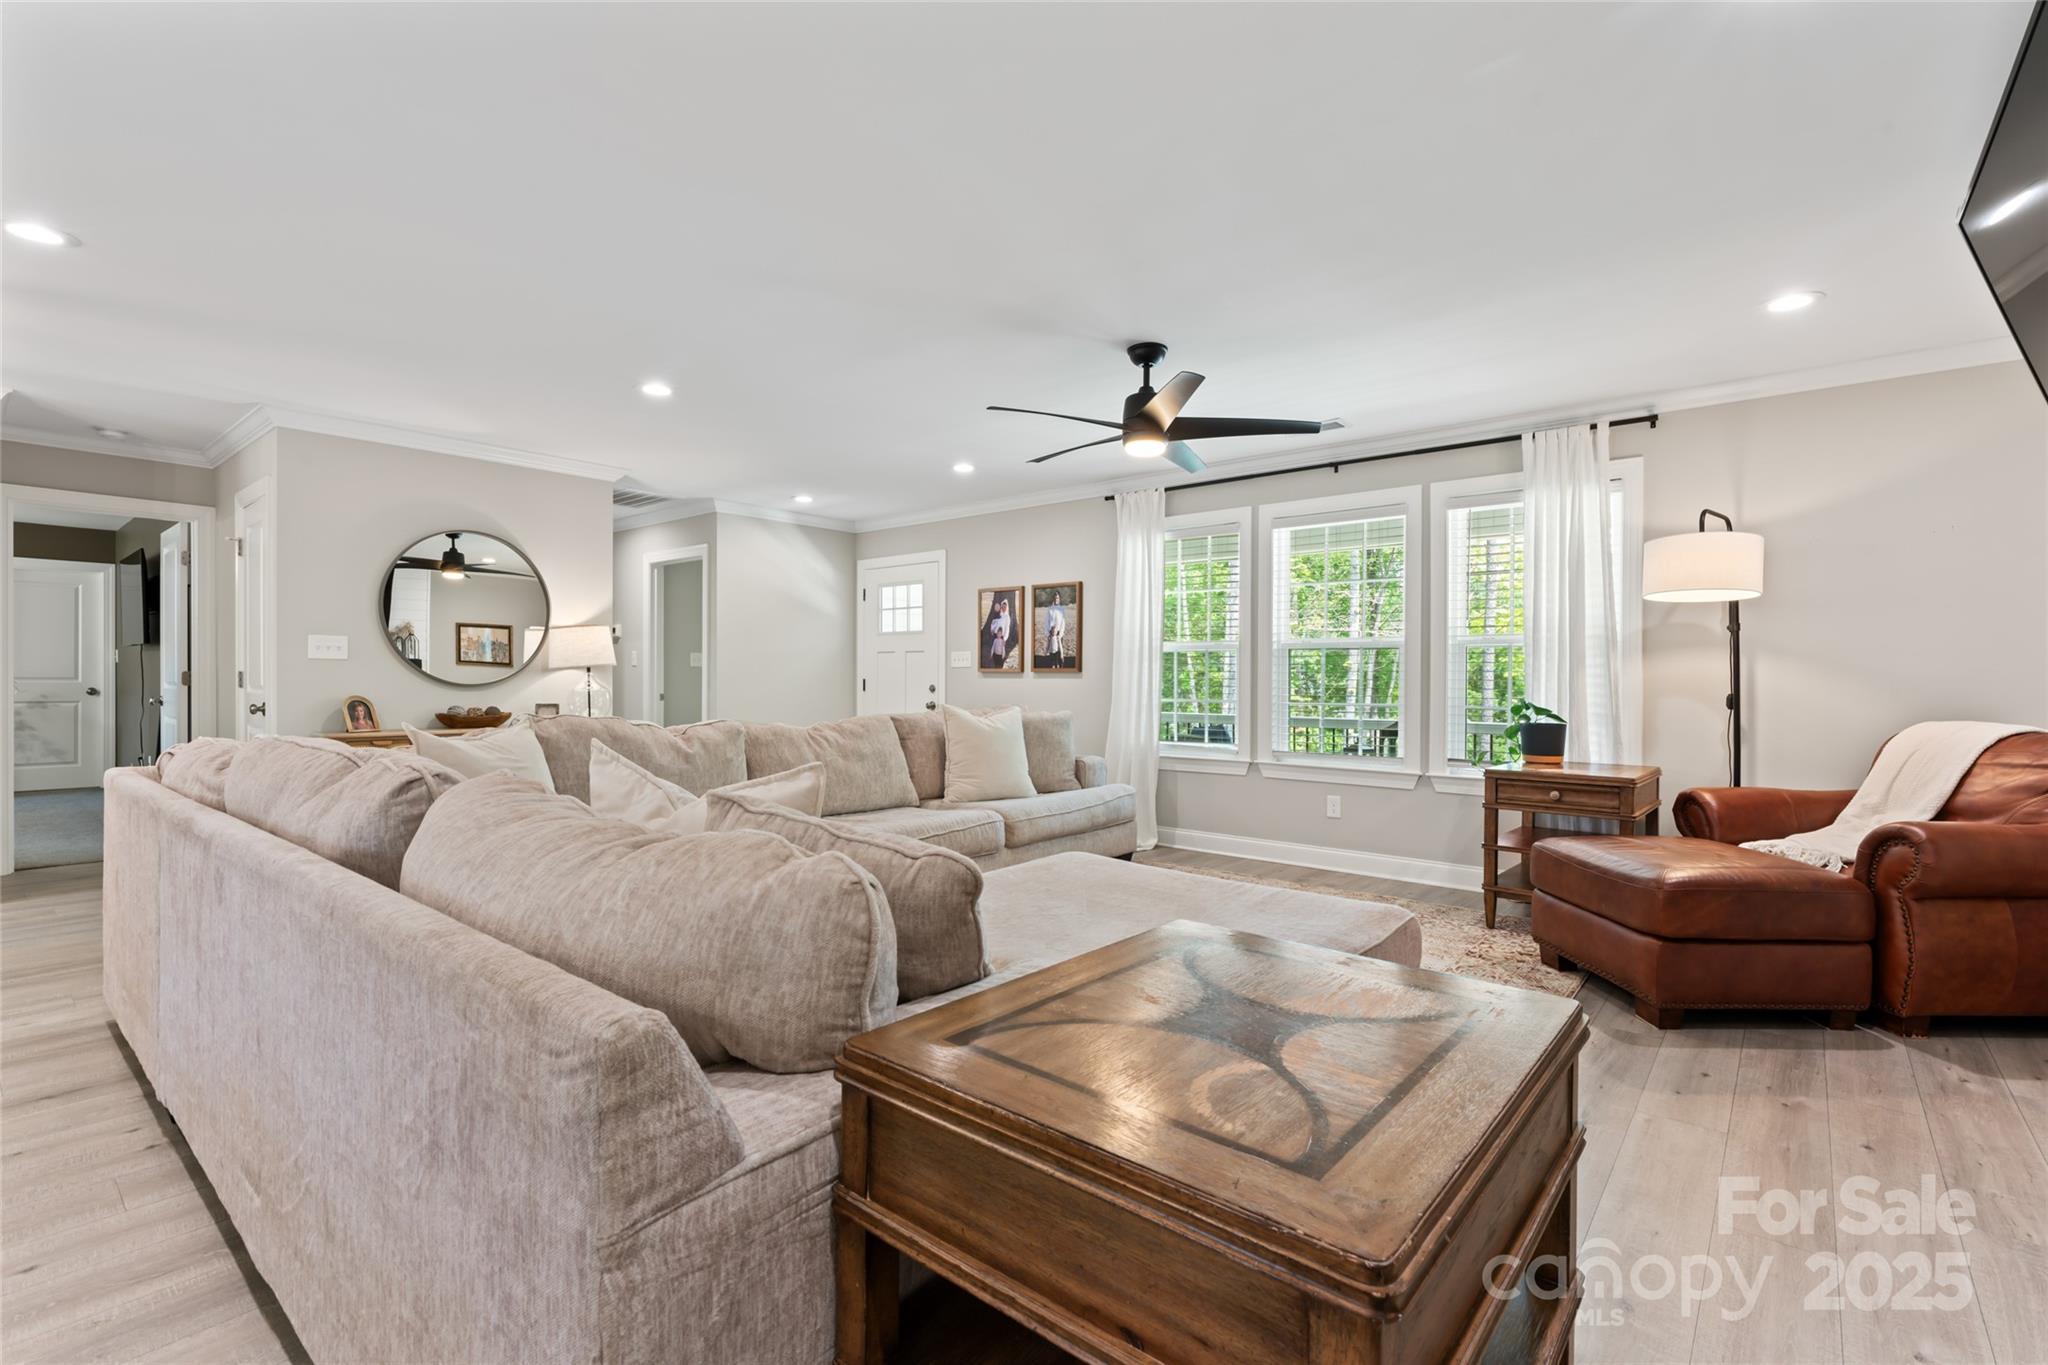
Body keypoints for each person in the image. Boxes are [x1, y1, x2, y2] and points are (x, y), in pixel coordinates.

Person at [985, 597, 1013, 667]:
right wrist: (992, 629)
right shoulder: (999, 614)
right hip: (996, 634)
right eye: (1002, 607)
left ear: (1007, 608)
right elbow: (994, 622)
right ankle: (994, 659)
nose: (1004, 608)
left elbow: (1007, 628)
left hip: (1002, 636)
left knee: (1001, 650)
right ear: (1001, 607)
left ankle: (999, 662)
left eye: (1005, 607)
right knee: (995, 647)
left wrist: (1005, 638)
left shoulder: (1007, 617)